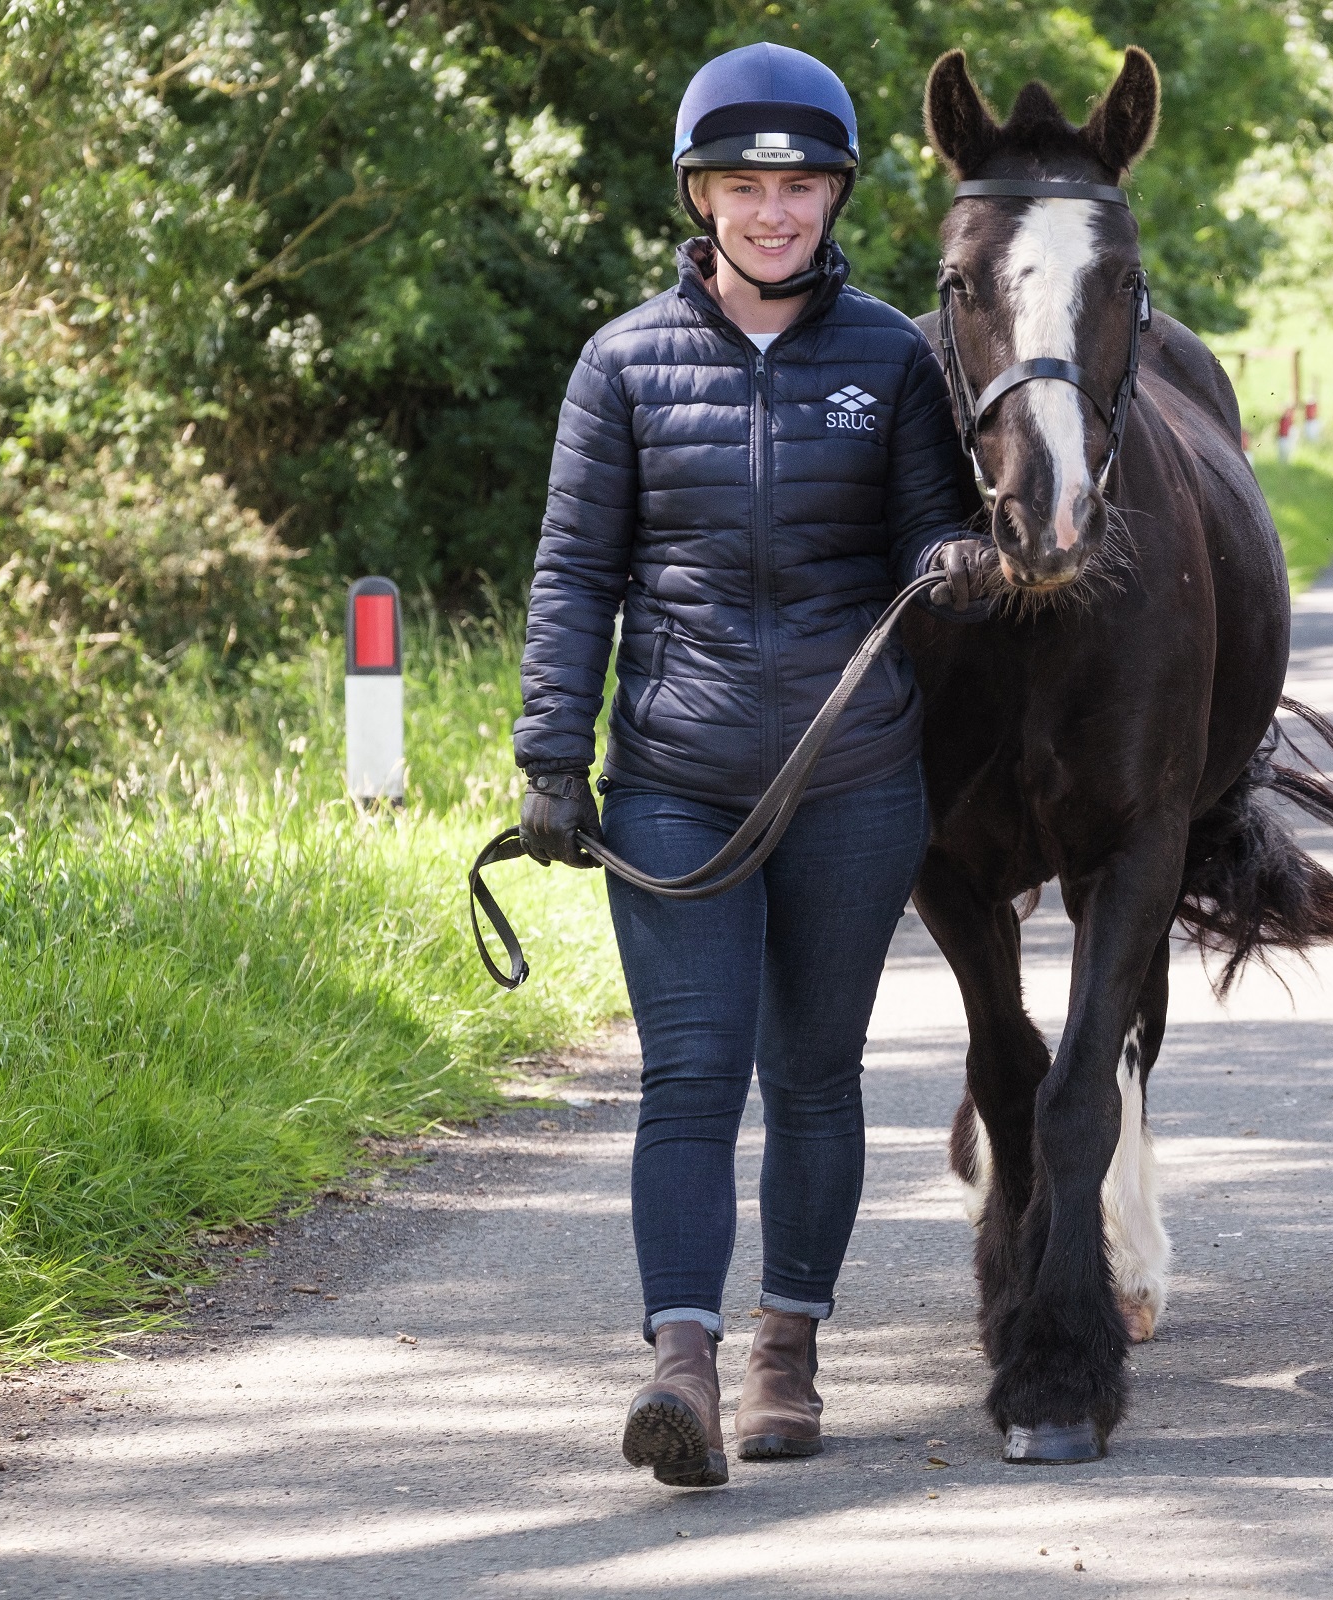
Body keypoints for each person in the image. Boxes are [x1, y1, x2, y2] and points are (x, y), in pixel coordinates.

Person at [511, 41, 1001, 1488]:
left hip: (854, 777)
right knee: (691, 1074)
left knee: (815, 1074)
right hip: (677, 774)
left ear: (835, 195)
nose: (772, 209)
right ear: (702, 193)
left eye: (797, 185)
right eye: (745, 183)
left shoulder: (892, 361)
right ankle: (683, 1364)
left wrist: (952, 557)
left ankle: (788, 1345)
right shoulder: (621, 365)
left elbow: (922, 521)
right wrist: (553, 752)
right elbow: (572, 569)